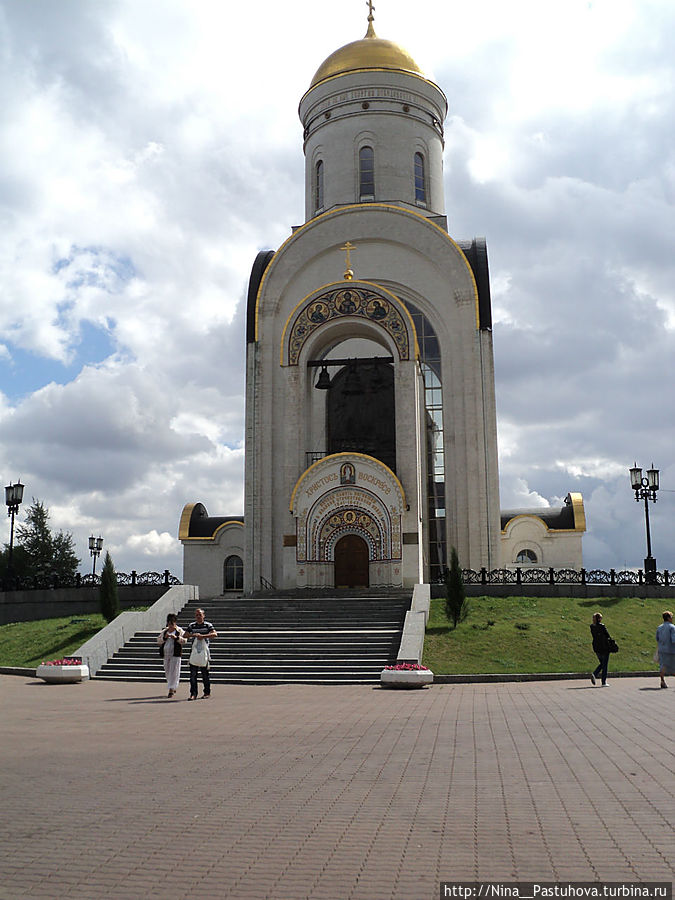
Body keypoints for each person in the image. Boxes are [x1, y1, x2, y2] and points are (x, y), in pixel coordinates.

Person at [184, 608, 217, 700]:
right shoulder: (192, 625)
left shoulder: (208, 625)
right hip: (194, 652)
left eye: (200, 615)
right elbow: (185, 635)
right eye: (197, 615)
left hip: (204, 652)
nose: (198, 617)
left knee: (205, 674)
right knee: (193, 675)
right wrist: (193, 635)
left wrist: (203, 636)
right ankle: (193, 693)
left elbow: (214, 634)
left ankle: (207, 692)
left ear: (203, 616)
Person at [156, 613, 186, 698]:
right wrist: (165, 637)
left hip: (175, 654)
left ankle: (171, 689)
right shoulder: (165, 631)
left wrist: (176, 638)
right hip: (166, 654)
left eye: (172, 623)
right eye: (169, 623)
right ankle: (173, 685)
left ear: (175, 623)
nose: (170, 625)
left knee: (174, 671)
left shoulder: (179, 630)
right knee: (168, 671)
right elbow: (158, 641)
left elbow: (184, 640)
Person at [589, 612, 613, 686]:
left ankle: (595, 674)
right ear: (599, 619)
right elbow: (607, 635)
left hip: (596, 647)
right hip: (604, 647)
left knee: (602, 663)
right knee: (604, 665)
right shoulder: (602, 626)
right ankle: (602, 681)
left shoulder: (592, 626)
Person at [656, 610, 675, 689]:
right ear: (668, 618)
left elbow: (657, 638)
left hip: (661, 650)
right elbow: (674, 639)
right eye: (671, 617)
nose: (672, 619)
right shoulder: (672, 627)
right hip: (671, 650)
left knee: (663, 665)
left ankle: (662, 681)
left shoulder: (659, 627)